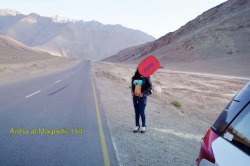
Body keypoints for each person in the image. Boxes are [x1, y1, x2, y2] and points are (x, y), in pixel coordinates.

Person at [131, 69, 152, 133]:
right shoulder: (135, 76)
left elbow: (150, 86)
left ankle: (143, 126)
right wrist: (132, 91)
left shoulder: (146, 76)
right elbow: (133, 86)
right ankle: (137, 126)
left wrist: (143, 93)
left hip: (142, 98)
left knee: (141, 112)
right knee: (136, 112)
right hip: (135, 97)